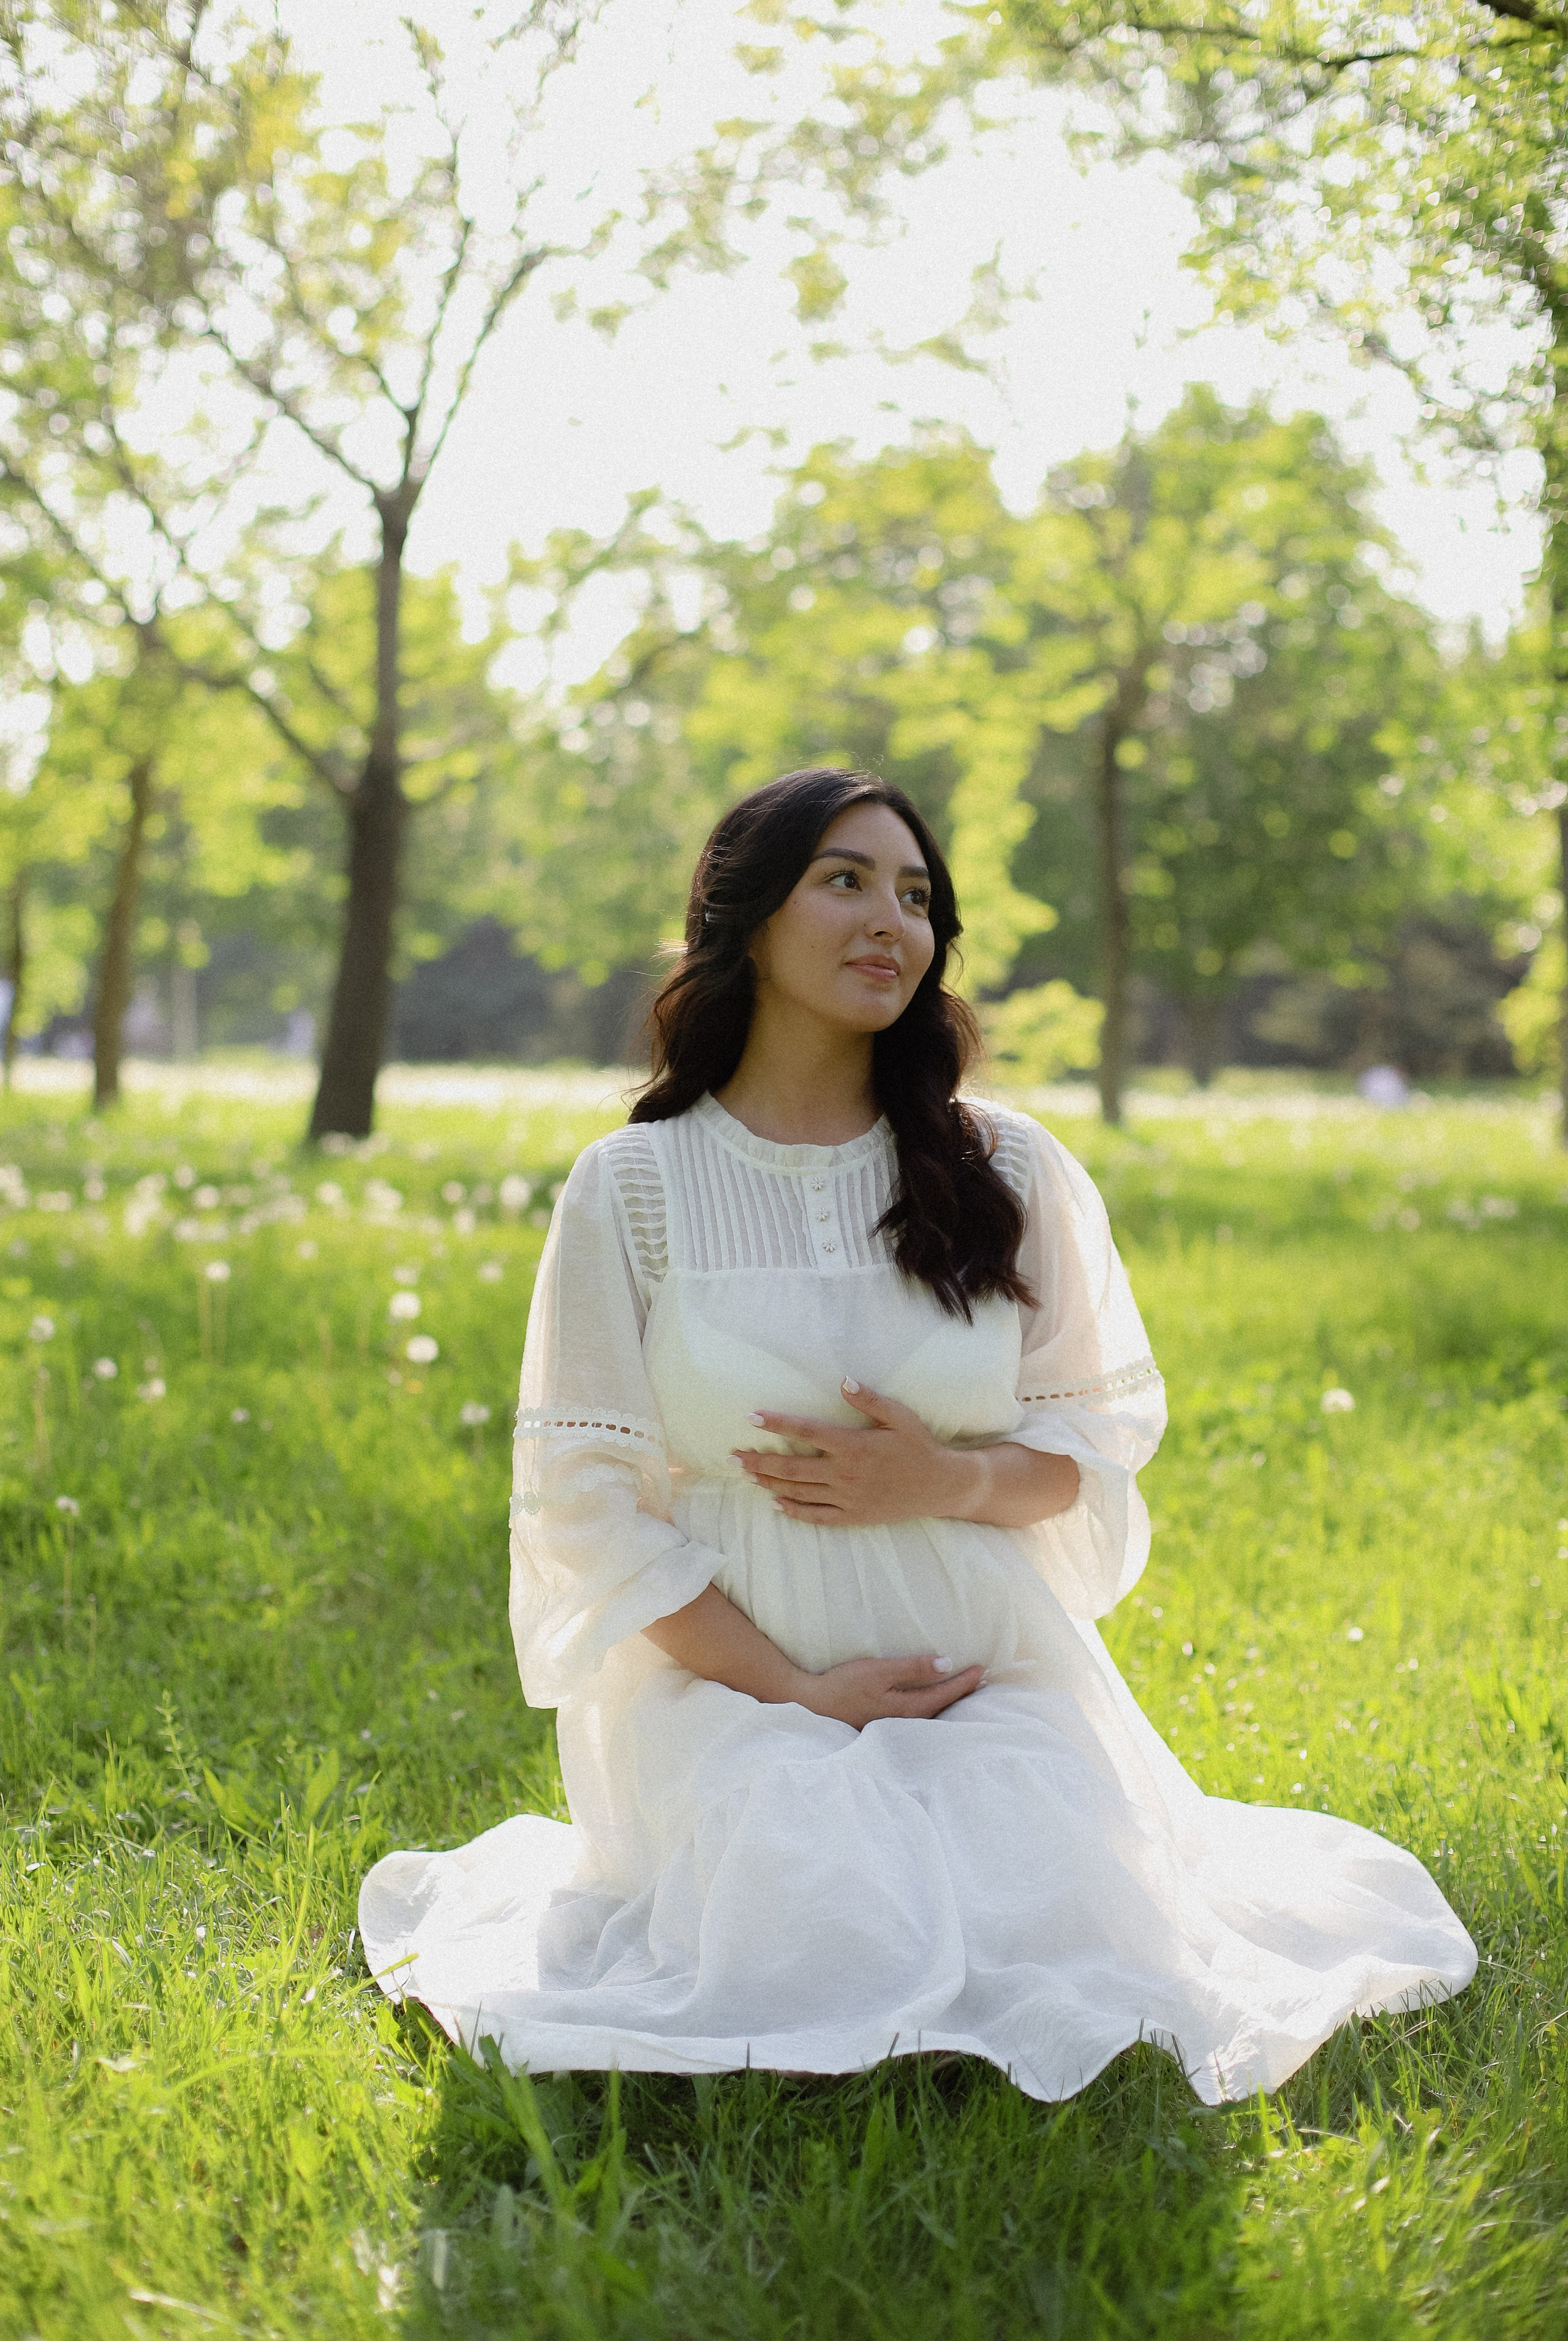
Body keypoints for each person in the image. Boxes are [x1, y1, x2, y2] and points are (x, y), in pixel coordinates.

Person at [359, 769, 1475, 2103]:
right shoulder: (636, 1185)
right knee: (799, 1902)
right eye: (844, 879)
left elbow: (1091, 1441)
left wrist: (940, 1477)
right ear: (745, 919)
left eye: (915, 895)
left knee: (1057, 1901)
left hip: (978, 1661)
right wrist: (798, 1693)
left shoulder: (1004, 1166)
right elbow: (586, 1506)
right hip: (724, 1683)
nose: (891, 917)